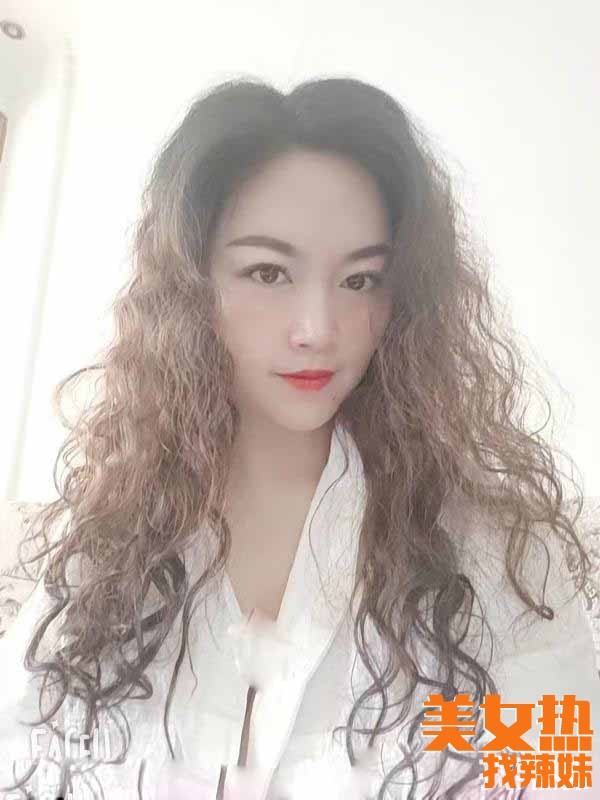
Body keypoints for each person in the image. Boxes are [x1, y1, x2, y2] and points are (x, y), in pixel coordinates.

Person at [0, 76, 598, 800]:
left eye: (361, 280)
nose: (317, 329)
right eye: (268, 272)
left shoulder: (501, 556)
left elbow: (554, 775)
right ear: (193, 285)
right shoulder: (106, 540)